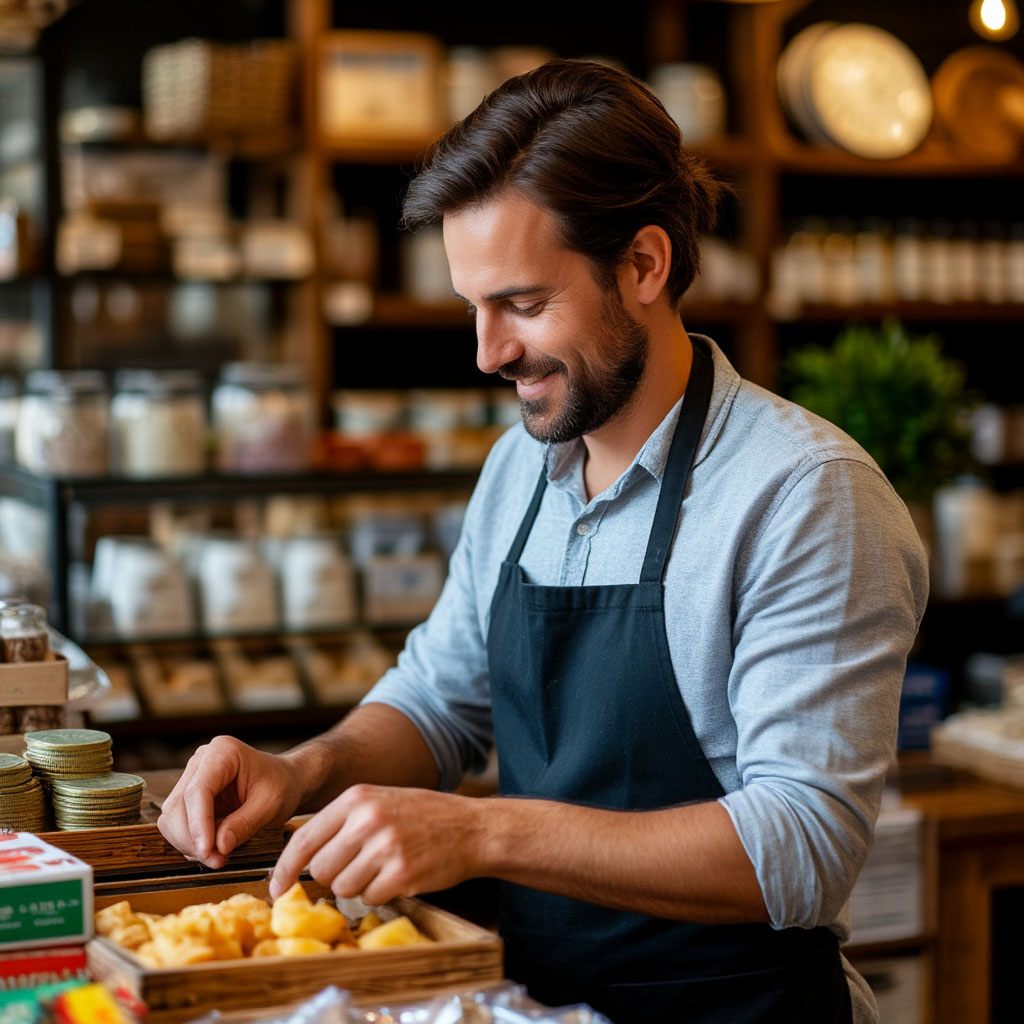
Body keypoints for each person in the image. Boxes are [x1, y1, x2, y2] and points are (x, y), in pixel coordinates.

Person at [158, 59, 928, 1023]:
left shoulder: (805, 497)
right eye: (472, 307)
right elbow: (440, 702)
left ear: (644, 265)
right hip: (534, 1002)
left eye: (523, 304)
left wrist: (484, 833)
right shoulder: (519, 468)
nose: (488, 353)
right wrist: (301, 770)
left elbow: (803, 848)